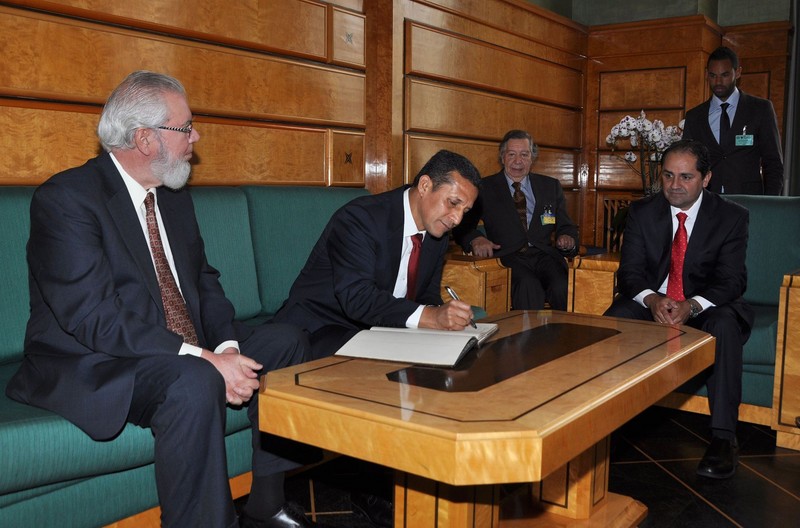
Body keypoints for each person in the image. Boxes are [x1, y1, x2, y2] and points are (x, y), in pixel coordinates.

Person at [5, 71, 316, 528]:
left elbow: (203, 280)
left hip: (177, 345)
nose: (197, 135)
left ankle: (266, 503)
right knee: (193, 381)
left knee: (286, 341)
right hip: (98, 356)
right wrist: (206, 360)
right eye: (186, 126)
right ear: (145, 139)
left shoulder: (172, 196)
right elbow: (94, 318)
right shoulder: (67, 199)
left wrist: (227, 347)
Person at [604, 139, 753, 479]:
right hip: (653, 300)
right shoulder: (643, 212)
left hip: (705, 303)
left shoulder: (731, 217)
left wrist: (692, 305)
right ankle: (606, 427)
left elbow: (731, 280)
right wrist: (652, 299)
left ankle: (723, 438)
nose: (674, 186)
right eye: (668, 175)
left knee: (725, 326)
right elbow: (629, 274)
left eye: (686, 177)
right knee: (613, 321)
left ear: (706, 178)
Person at [273, 149, 482, 360]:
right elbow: (357, 298)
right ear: (425, 186)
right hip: (320, 327)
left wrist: (444, 316)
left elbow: (426, 295)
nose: (456, 219)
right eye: (453, 203)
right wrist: (431, 316)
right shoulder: (360, 219)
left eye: (465, 211)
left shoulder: (438, 234)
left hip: (378, 329)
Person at [453, 129, 578, 310]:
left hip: (544, 255)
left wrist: (567, 237)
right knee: (528, 285)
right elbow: (460, 225)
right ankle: (527, 337)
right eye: (511, 154)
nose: (518, 161)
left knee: (562, 285)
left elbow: (566, 225)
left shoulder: (550, 186)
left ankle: (565, 335)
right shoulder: (484, 188)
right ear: (502, 157)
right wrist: (476, 239)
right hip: (507, 255)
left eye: (524, 154)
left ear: (532, 158)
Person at [682, 46, 784, 195]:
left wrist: (771, 205)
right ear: (706, 75)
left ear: (738, 72)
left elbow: (773, 163)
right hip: (708, 201)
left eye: (724, 75)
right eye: (712, 75)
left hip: (749, 201)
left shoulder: (760, 109)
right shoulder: (694, 116)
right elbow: (688, 163)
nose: (718, 81)